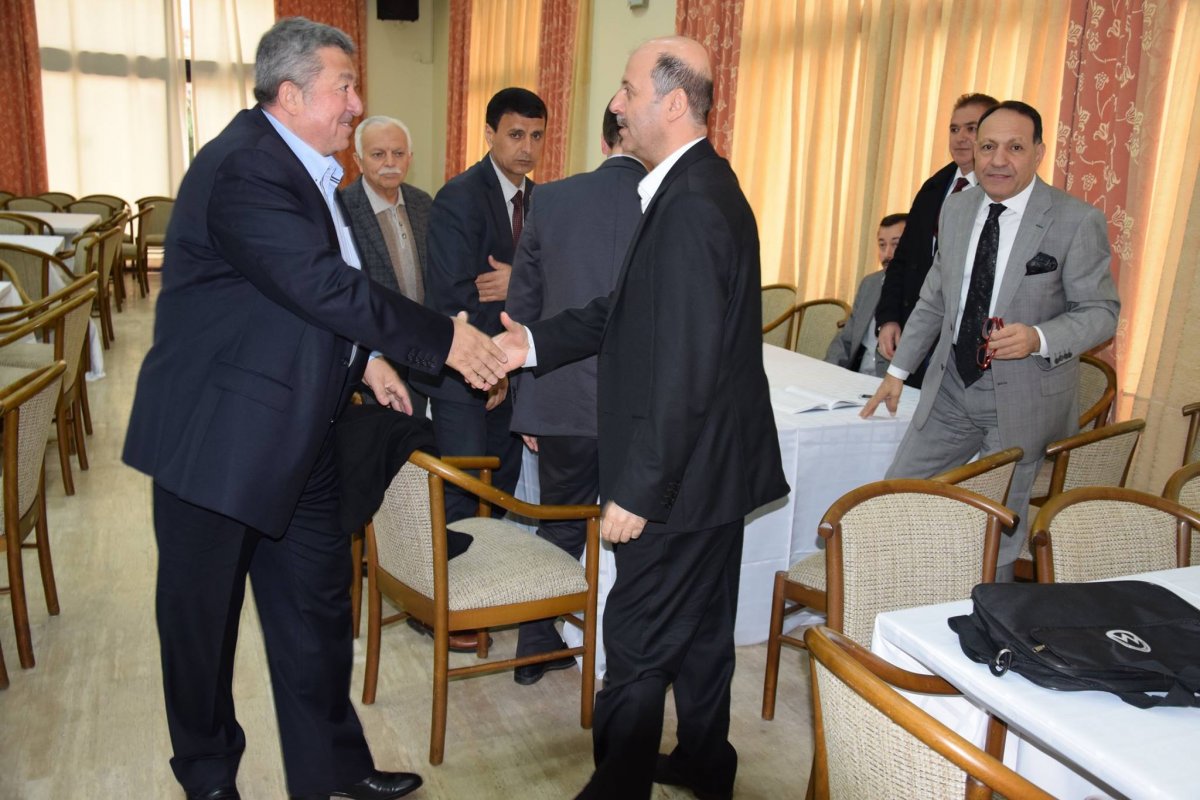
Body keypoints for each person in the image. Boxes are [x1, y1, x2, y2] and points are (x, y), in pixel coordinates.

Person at [122, 17, 509, 800]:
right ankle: (209, 781)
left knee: (317, 617)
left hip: (302, 434)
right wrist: (445, 339)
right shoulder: (245, 168)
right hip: (219, 443)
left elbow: (298, 300)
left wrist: (368, 359)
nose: (356, 105)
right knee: (202, 631)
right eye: (345, 88)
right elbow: (321, 285)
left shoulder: (302, 167)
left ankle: (334, 768)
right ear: (291, 94)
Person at [494, 37, 789, 800]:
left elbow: (684, 366)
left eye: (627, 90)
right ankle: (702, 762)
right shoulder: (691, 185)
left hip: (679, 481)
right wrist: (532, 343)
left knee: (634, 640)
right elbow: (622, 311)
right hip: (714, 471)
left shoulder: (691, 204)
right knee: (702, 632)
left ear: (673, 103)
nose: (616, 105)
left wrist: (638, 490)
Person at [861, 100, 1119, 580]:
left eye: (1014, 148)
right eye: (987, 147)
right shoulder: (957, 209)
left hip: (1022, 398)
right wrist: (897, 371)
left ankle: (988, 618)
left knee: (995, 528)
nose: (998, 160)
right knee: (899, 496)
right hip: (950, 389)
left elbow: (1102, 313)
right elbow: (936, 298)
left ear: (1038, 152)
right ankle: (908, 598)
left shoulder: (1074, 220)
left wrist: (1039, 337)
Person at [505, 107, 646, 686]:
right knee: (638, 536)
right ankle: (625, 664)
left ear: (604, 140)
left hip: (560, 394)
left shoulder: (551, 199)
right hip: (640, 406)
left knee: (561, 525)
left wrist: (525, 400)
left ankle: (536, 646)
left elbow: (522, 310)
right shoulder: (671, 202)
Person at [410, 87, 547, 523]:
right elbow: (455, 298)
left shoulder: (544, 201)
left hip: (515, 375)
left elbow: (554, 284)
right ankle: (448, 571)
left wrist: (518, 279)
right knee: (462, 496)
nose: (527, 148)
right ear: (490, 134)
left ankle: (488, 570)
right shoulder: (460, 196)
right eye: (516, 134)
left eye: (537, 136)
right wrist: (492, 371)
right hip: (462, 375)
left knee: (502, 491)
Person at [875, 93, 999, 386]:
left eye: (971, 128)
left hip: (968, 344)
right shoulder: (934, 188)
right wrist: (889, 318)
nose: (960, 137)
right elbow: (902, 261)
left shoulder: (1000, 194)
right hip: (918, 332)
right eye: (954, 129)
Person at [342, 115, 433, 417]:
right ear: (358, 160)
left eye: (398, 153)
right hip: (373, 355)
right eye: (378, 154)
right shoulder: (342, 208)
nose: (390, 162)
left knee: (420, 435)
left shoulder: (424, 204)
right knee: (382, 438)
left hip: (422, 351)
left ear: (410, 158)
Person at [824, 212, 908, 376]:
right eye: (882, 245)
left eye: (896, 245)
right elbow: (846, 339)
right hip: (854, 377)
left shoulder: (921, 293)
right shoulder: (869, 283)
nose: (888, 254)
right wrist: (827, 372)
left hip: (888, 382)